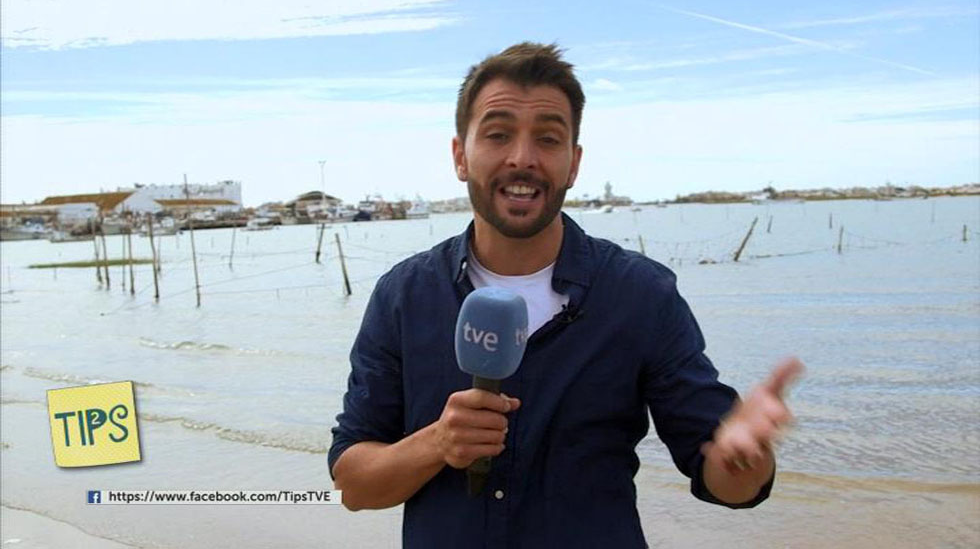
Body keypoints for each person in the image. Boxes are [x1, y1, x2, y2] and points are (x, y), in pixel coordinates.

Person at [329, 42, 803, 548]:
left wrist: (743, 456)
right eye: (498, 134)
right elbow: (353, 487)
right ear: (460, 156)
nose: (522, 158)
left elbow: (726, 482)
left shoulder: (641, 295)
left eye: (548, 139)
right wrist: (437, 442)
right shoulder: (404, 296)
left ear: (573, 164)